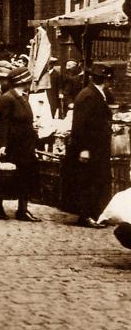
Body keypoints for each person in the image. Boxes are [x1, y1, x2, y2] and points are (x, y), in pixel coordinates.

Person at [64, 64, 114, 228]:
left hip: (97, 146)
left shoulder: (96, 94)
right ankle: (86, 215)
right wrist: (84, 148)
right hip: (90, 147)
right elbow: (80, 125)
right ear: (106, 80)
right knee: (89, 180)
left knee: (97, 179)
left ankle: (94, 212)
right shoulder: (88, 96)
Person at [0, 67, 41, 222]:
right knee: (4, 176)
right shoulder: (7, 98)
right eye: (28, 80)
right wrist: (2, 145)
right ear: (22, 82)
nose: (30, 83)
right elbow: (3, 123)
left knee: (25, 176)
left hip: (25, 144)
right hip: (12, 144)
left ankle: (22, 210)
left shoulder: (22, 97)